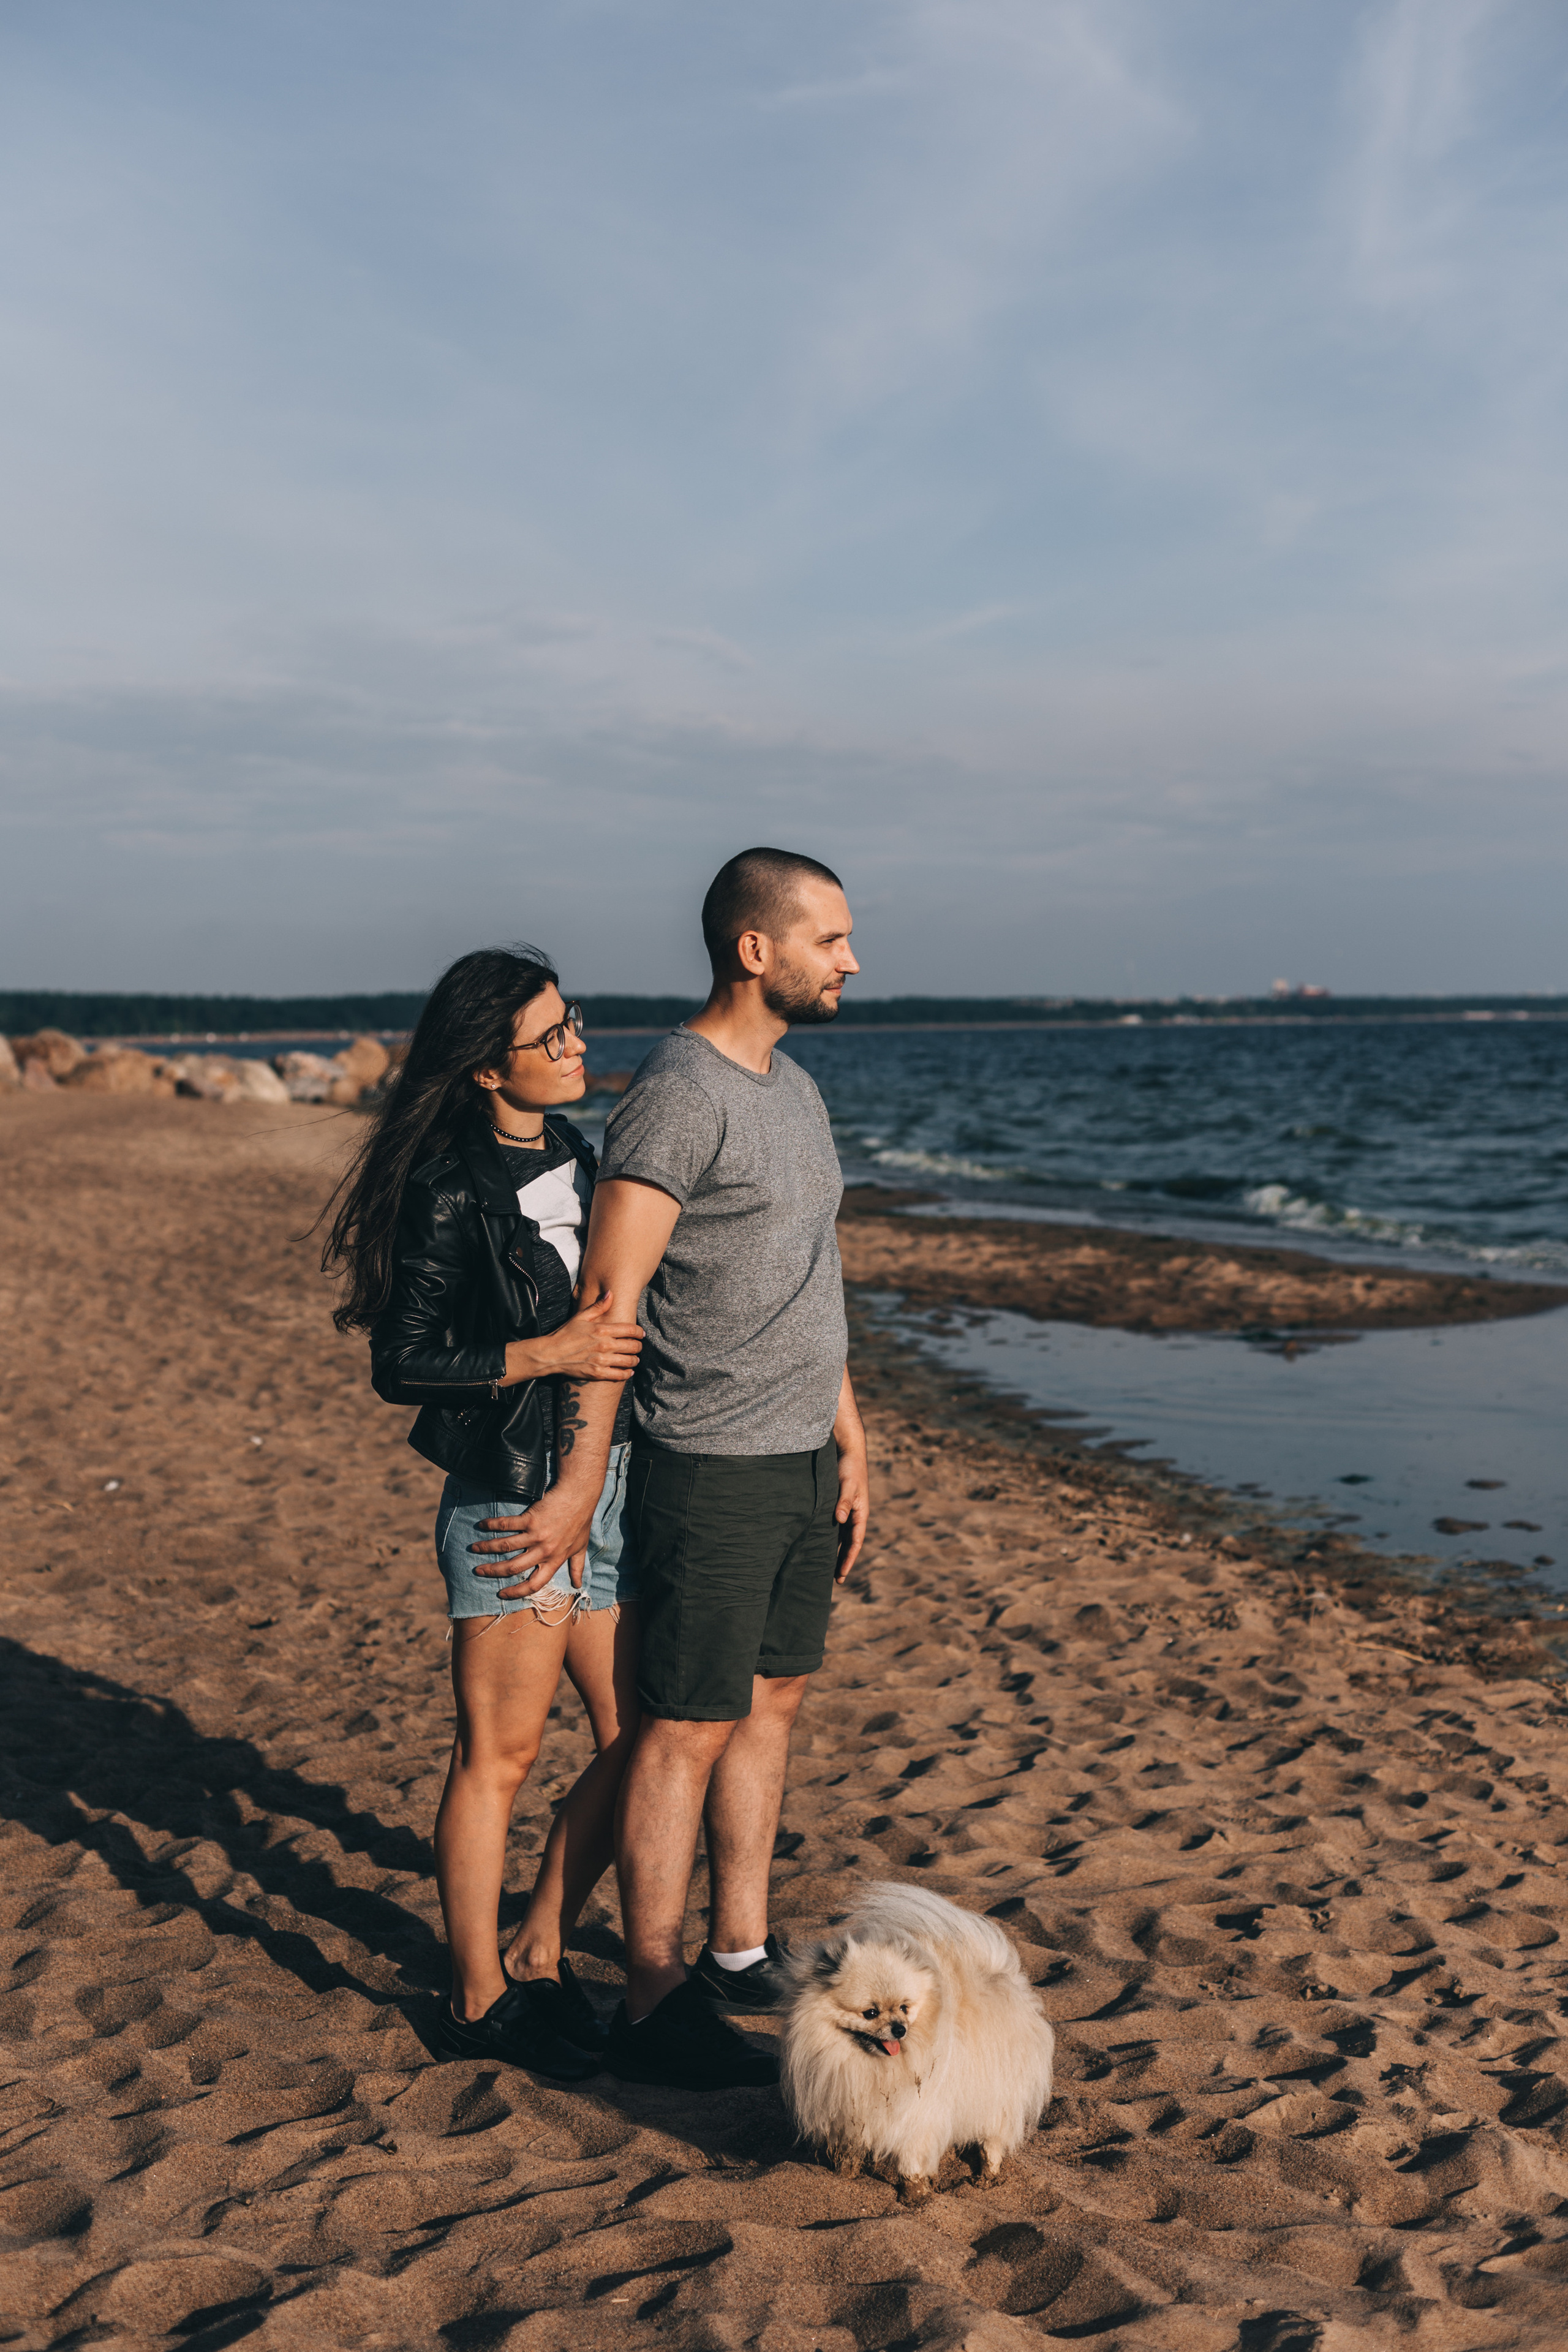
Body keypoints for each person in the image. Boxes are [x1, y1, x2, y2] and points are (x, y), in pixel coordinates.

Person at [469, 851, 870, 2090]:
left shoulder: (792, 1090)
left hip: (804, 1455)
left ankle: (736, 1950)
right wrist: (584, 1476)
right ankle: (649, 1995)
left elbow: (812, 1275)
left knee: (771, 1704)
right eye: (831, 939)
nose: (850, 959)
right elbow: (607, 1301)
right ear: (756, 950)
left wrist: (854, 1435)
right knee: (680, 1732)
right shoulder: (677, 1097)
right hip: (712, 1462)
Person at [319, 945, 646, 2082]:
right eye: (550, 1036)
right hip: (513, 1497)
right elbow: (401, 1363)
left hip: (601, 1484)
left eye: (574, 1023)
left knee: (646, 1732)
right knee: (497, 1760)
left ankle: (542, 1945)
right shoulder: (448, 1183)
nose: (575, 1045)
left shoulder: (570, 1147)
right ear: (483, 1068)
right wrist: (539, 1352)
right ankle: (473, 1994)